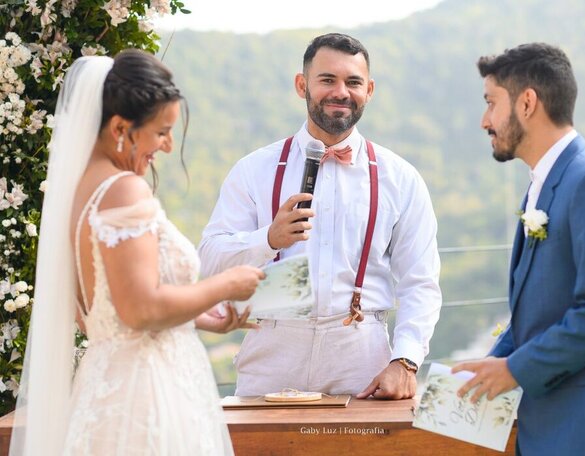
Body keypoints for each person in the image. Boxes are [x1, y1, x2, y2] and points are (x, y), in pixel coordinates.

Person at [9, 50, 265, 456]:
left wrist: (198, 317)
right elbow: (140, 309)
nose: (166, 147)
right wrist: (225, 285)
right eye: (161, 132)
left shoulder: (80, 191)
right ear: (120, 128)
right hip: (145, 399)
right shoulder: (122, 190)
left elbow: (104, 306)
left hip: (107, 388)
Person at [198, 33, 441, 400]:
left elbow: (420, 281)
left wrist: (405, 360)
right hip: (273, 350)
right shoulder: (253, 169)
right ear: (302, 85)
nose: (340, 92)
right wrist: (267, 239)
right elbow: (210, 259)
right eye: (327, 80)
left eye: (353, 82)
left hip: (361, 356)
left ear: (369, 90)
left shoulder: (400, 177)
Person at [451, 43, 585, 455]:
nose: (484, 121)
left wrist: (514, 370)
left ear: (527, 102)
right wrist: (484, 371)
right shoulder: (543, 185)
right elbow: (540, 312)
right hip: (553, 421)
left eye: (491, 103)